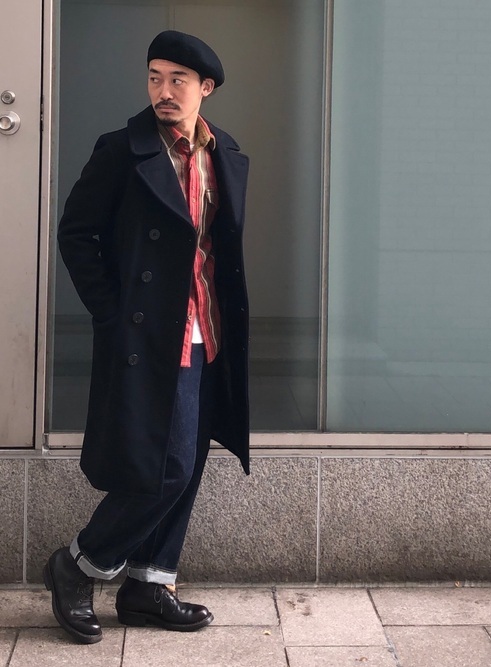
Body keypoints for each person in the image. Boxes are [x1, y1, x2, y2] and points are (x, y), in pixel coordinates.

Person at [44, 30, 250, 645]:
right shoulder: (122, 150)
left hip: (208, 329)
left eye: (177, 80)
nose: (164, 90)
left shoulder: (223, 152)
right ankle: (79, 565)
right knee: (168, 465)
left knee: (190, 462)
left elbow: (217, 248)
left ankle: (149, 585)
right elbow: (76, 233)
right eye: (155, 77)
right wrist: (113, 313)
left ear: (205, 88)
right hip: (149, 335)